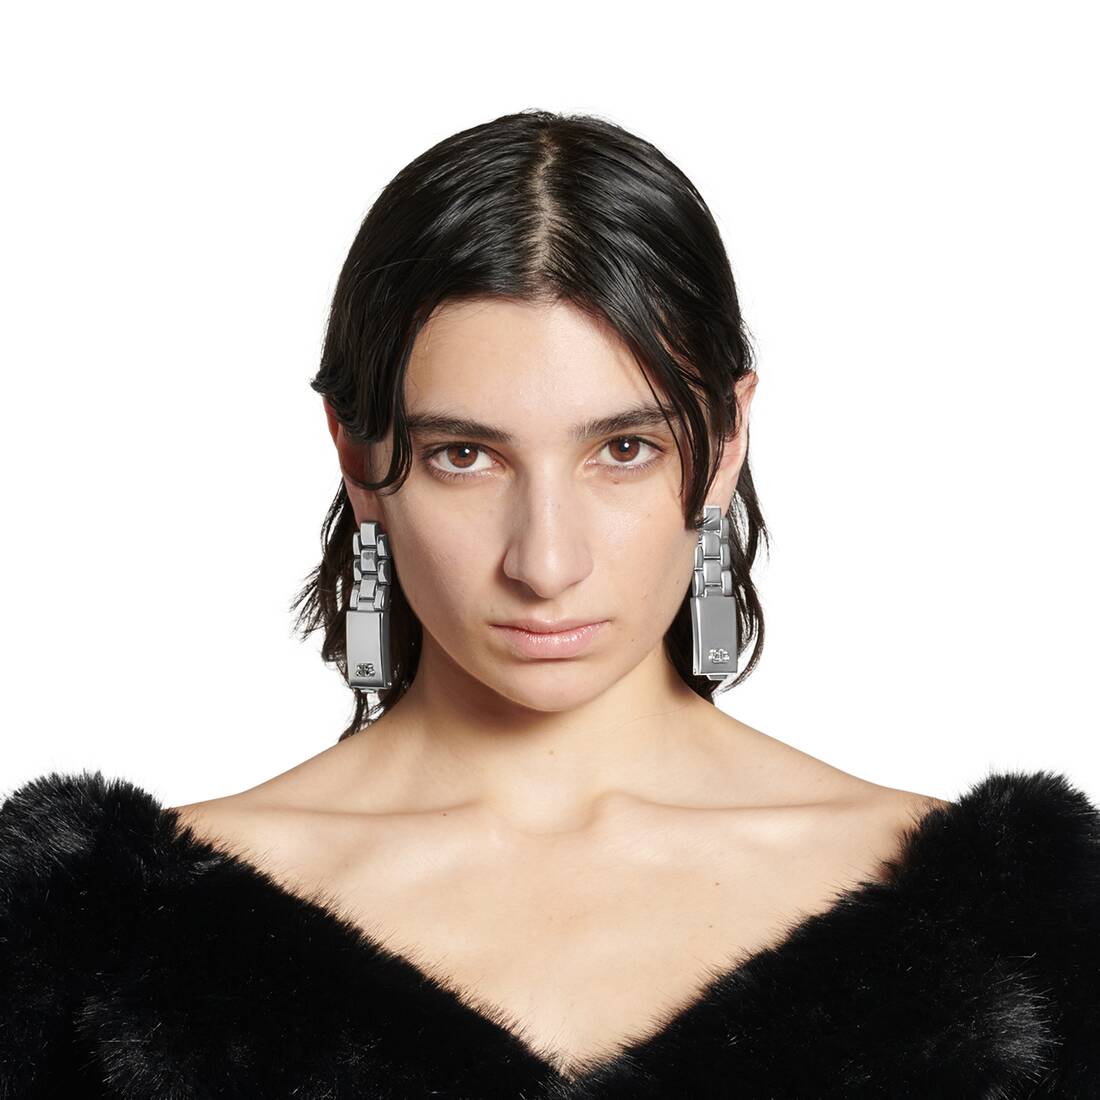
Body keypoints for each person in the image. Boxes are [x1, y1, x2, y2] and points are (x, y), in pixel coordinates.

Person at [2, 109, 1097, 1098]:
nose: (545, 559)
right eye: (465, 454)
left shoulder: (1018, 924)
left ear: (724, 442)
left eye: (622, 449)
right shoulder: (98, 933)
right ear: (357, 452)